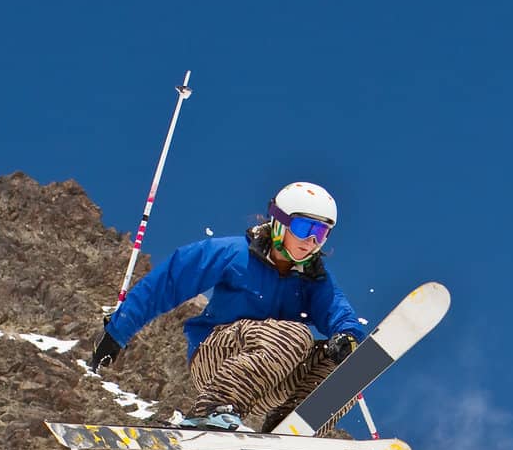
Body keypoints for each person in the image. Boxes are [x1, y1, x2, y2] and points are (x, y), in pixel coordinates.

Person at [88, 182, 368, 431]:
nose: (311, 241)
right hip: (218, 357)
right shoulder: (234, 254)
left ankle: (291, 426)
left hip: (272, 379)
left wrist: (349, 338)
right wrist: (116, 332)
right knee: (296, 335)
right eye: (304, 228)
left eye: (321, 233)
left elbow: (338, 312)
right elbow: (170, 280)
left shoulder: (313, 278)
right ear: (280, 223)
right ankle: (213, 407)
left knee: (353, 365)